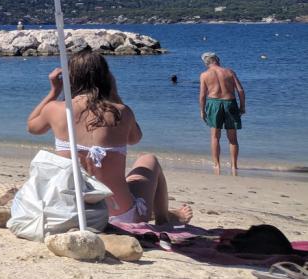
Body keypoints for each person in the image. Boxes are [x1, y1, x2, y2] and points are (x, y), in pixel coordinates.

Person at [27, 51, 192, 226]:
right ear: (106, 77)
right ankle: (163, 219)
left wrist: (54, 91)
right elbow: (135, 138)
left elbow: (32, 127)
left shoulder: (56, 109)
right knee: (148, 159)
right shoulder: (122, 112)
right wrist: (114, 94)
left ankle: (164, 215)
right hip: (120, 215)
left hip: (73, 213)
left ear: (70, 79)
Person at [199, 51, 246, 175]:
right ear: (217, 60)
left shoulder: (204, 75)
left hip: (214, 104)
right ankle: (234, 166)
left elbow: (202, 95)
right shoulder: (229, 72)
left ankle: (217, 165)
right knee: (233, 138)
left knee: (215, 136)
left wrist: (202, 111)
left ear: (206, 63)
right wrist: (242, 106)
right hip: (230, 102)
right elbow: (240, 90)